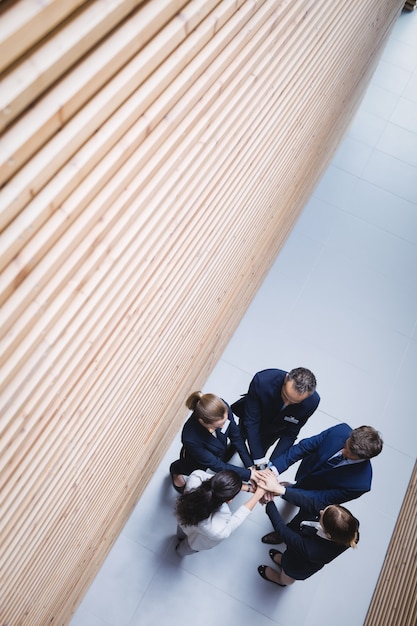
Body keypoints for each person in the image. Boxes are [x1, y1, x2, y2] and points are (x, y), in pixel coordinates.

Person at [260, 423, 383, 544]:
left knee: (304, 515)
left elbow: (321, 499)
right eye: (346, 444)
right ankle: (293, 490)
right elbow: (303, 447)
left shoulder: (360, 484)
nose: (342, 451)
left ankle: (286, 532)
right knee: (297, 486)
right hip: (307, 473)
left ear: (363, 457)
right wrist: (272, 470)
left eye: (348, 452)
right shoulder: (340, 431)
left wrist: (282, 491)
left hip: (316, 497)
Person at [257, 471, 359, 586]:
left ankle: (281, 581)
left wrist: (269, 502)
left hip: (299, 565)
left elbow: (283, 531)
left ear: (328, 534)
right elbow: (312, 504)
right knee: (287, 558)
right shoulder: (351, 525)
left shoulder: (312, 550)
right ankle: (283, 560)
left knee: (288, 573)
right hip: (296, 553)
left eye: (322, 516)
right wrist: (280, 490)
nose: (320, 510)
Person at [169, 391, 255, 493]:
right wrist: (249, 475)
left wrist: (250, 466)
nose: (224, 426)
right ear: (203, 422)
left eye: (225, 421)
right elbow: (216, 464)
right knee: (190, 469)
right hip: (197, 458)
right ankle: (175, 470)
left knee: (222, 456)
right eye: (219, 425)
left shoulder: (223, 408)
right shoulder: (190, 438)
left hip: (218, 448)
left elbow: (236, 436)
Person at [231, 368, 319, 466]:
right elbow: (251, 421)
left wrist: (272, 465)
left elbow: (290, 434)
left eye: (294, 403)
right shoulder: (263, 380)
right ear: (285, 379)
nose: (287, 403)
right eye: (285, 396)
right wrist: (259, 460)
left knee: (261, 450)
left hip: (274, 430)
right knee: (239, 436)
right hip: (253, 417)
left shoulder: (312, 403)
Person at [175, 469, 266, 556]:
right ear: (229, 500)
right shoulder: (217, 530)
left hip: (183, 519)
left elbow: (212, 483)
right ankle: (178, 552)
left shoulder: (195, 478)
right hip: (196, 542)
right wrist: (258, 494)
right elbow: (236, 519)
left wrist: (244, 487)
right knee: (184, 549)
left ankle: (179, 537)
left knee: (181, 531)